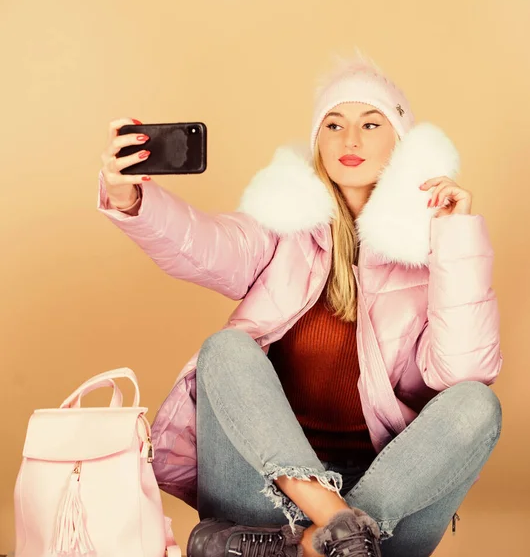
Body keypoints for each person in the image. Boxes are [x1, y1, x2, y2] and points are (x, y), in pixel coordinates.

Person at [97, 53, 503, 557]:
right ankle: (336, 528)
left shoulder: (432, 253)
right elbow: (204, 245)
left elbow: (462, 372)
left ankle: (318, 541)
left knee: (477, 404)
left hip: (389, 498)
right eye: (334, 124)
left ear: (403, 142)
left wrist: (455, 239)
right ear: (317, 141)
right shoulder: (281, 228)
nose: (349, 140)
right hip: (263, 489)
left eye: (370, 123)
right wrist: (133, 201)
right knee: (226, 349)